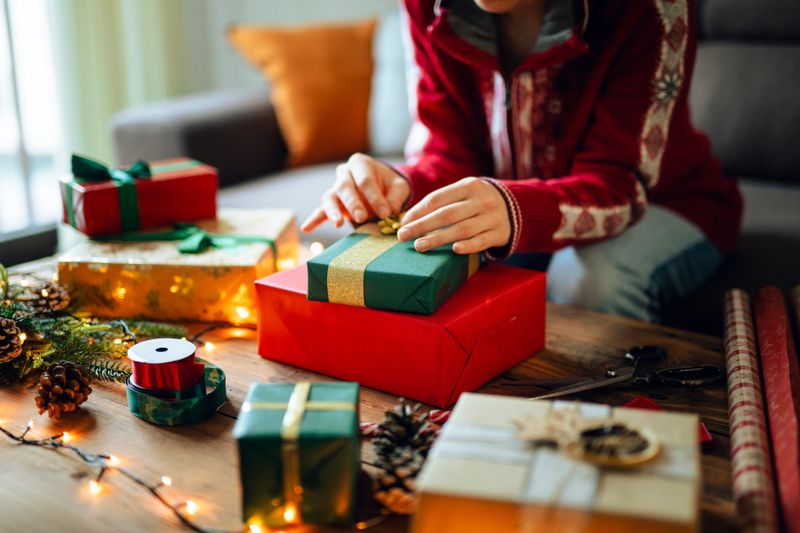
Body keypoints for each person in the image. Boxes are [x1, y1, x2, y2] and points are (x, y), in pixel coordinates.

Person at [302, 0, 742, 323]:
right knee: (432, 263)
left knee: (591, 280)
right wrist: (401, 183)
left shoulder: (648, 11)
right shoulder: (425, 7)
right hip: (515, 214)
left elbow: (621, 186)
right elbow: (449, 152)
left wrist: (512, 210)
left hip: (671, 203)